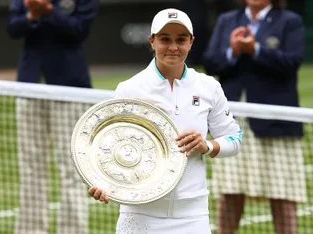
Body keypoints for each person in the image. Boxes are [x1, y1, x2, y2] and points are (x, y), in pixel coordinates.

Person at [88, 8, 242, 234]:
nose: (173, 47)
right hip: (139, 213)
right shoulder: (130, 88)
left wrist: (207, 146)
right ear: (152, 41)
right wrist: (103, 183)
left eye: (181, 40)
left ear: (191, 42)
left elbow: (234, 138)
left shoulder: (209, 87)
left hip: (193, 215)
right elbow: (108, 145)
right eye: (164, 39)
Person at [203, 0, 306, 234]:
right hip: (233, 121)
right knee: (229, 192)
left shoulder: (290, 21)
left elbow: (292, 62)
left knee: (283, 194)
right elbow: (210, 62)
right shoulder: (227, 21)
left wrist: (256, 50)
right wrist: (233, 51)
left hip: (276, 121)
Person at [7, 0, 99, 233]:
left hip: (69, 88)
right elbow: (13, 28)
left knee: (72, 166)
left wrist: (49, 11)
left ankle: (72, 230)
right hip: (30, 85)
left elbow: (79, 30)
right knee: (30, 166)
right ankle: (30, 230)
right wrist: (31, 16)